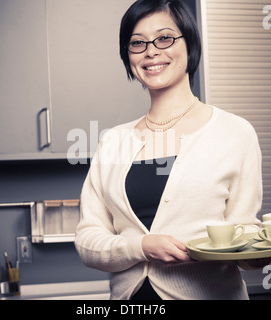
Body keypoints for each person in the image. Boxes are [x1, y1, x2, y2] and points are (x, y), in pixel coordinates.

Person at [75, 0, 263, 300]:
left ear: (189, 44)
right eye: (137, 43)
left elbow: (244, 237)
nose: (151, 51)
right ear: (128, 56)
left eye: (164, 38)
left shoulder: (234, 133)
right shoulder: (113, 142)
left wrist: (258, 255)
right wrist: (140, 247)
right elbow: (87, 241)